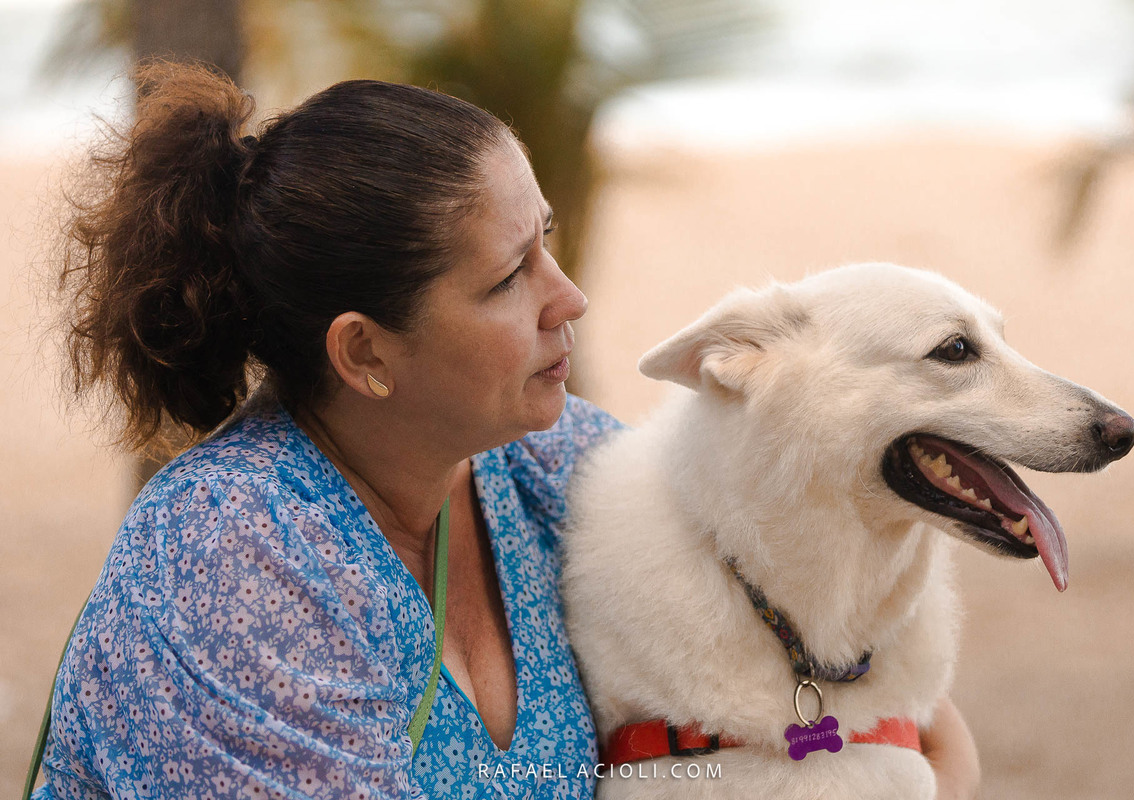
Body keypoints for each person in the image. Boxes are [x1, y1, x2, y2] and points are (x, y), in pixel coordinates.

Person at [35, 62, 980, 799]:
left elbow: (910, 724)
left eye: (548, 241)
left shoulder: (555, 469)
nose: (569, 298)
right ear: (364, 352)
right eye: (507, 278)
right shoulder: (231, 552)